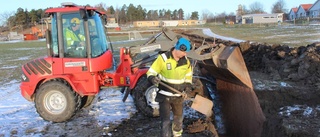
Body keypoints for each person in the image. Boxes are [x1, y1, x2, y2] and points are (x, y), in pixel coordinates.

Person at [146, 37, 193, 137]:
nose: (185, 54)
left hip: (178, 97)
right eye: (184, 52)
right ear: (179, 48)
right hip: (164, 96)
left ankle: (177, 135)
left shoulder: (186, 62)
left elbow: (188, 77)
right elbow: (151, 72)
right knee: (166, 121)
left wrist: (187, 88)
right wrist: (152, 78)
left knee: (178, 119)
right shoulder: (163, 59)